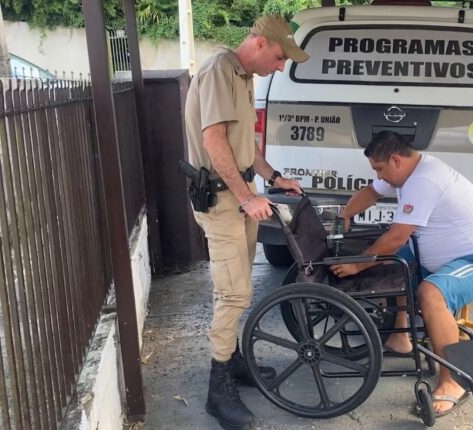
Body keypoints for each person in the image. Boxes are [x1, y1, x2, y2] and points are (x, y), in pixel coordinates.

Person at [330, 130, 473, 418]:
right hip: (448, 257)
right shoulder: (410, 170)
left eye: (380, 169)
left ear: (395, 160)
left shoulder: (425, 180)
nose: (380, 176)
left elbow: (397, 237)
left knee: (430, 291)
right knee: (392, 261)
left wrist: (358, 265)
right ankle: (401, 340)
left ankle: (453, 382)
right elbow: (371, 192)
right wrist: (345, 214)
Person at [184, 14, 308, 430]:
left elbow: (245, 144)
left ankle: (233, 361)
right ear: (258, 43)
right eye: (277, 57)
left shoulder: (243, 75)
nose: (280, 66)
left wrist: (273, 178)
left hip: (237, 197)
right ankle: (218, 392)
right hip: (221, 201)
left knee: (239, 286)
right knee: (234, 293)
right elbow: (214, 139)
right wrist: (246, 196)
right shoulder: (220, 69)